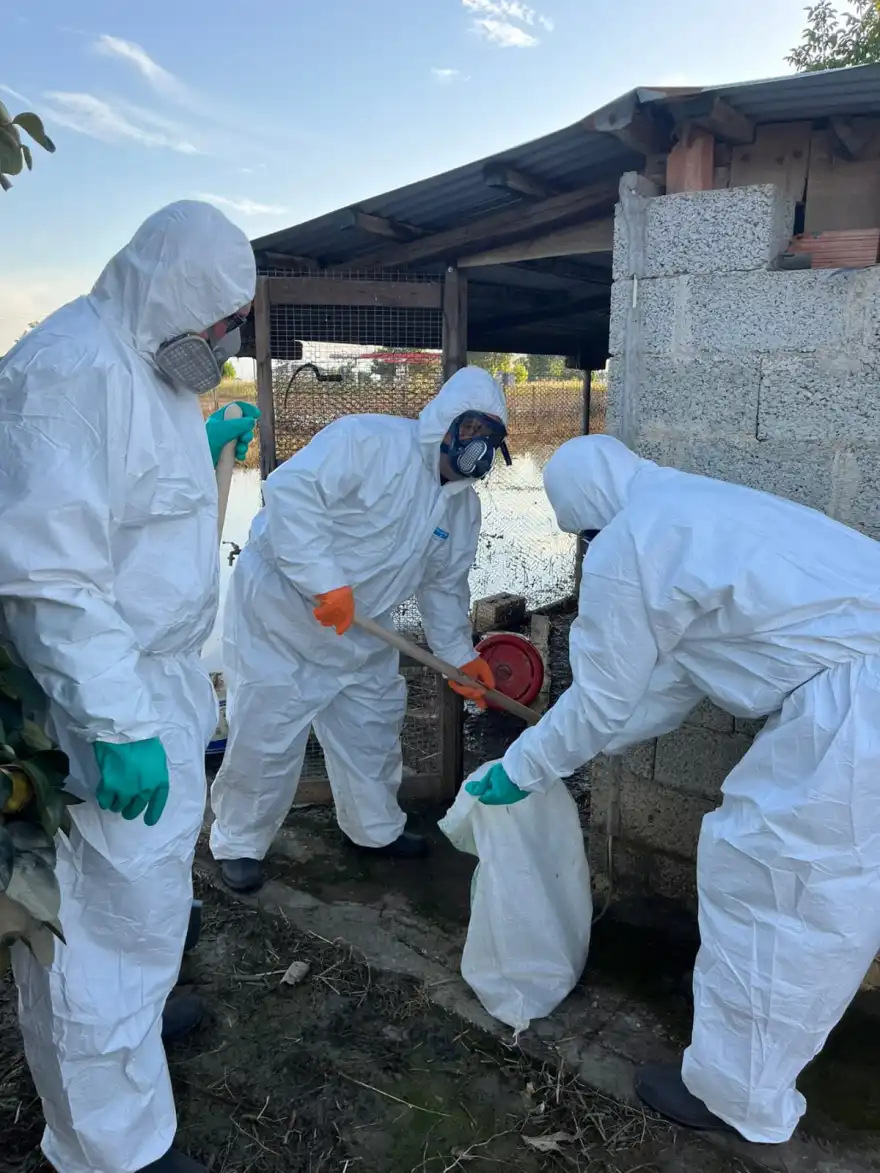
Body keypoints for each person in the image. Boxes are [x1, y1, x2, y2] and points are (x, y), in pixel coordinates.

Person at [467, 433, 880, 1146]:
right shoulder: (690, 509)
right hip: (856, 684)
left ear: (586, 520)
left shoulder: (630, 543)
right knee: (822, 885)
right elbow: (662, 688)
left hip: (857, 703)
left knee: (772, 882)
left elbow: (601, 701)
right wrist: (566, 745)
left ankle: (736, 1096)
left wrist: (525, 765)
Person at [0, 200, 259, 1173]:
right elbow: (49, 579)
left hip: (157, 682)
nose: (225, 344)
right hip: (94, 697)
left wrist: (205, 443)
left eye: (235, 326)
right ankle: (106, 1146)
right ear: (174, 292)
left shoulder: (152, 367)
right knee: (88, 930)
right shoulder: (69, 370)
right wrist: (115, 723)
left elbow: (141, 521)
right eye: (222, 323)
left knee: (144, 899)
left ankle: (134, 1033)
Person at [209, 366, 507, 894]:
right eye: (470, 429)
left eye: (489, 435)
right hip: (282, 613)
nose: (476, 445)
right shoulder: (368, 442)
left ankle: (374, 830)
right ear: (443, 423)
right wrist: (324, 580)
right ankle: (239, 843)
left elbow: (443, 585)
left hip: (363, 625)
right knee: (267, 733)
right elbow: (291, 492)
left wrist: (459, 654)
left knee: (371, 727)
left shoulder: (462, 507)